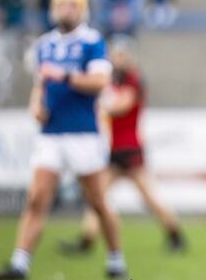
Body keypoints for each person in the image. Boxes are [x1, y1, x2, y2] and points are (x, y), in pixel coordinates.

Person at [0, 0, 128, 280]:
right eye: (61, 4)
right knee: (37, 198)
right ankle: (19, 263)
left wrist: (64, 75)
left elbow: (100, 81)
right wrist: (35, 104)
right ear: (53, 8)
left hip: (83, 132)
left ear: (82, 8)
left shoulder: (92, 41)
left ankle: (116, 259)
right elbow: (41, 84)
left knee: (98, 201)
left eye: (72, 4)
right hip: (51, 133)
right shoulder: (46, 44)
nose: (66, 9)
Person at [58, 35, 185, 255]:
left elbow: (122, 106)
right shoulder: (113, 80)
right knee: (98, 197)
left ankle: (175, 234)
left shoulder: (132, 79)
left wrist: (98, 106)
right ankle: (86, 240)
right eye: (115, 55)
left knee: (147, 197)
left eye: (121, 54)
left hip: (130, 150)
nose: (117, 59)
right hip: (114, 151)